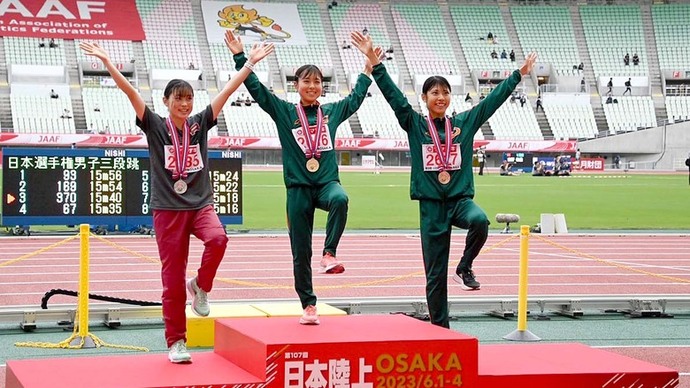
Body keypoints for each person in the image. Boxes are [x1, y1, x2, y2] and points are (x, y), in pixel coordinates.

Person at [79, 32, 274, 364]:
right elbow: (130, 92)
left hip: (199, 204)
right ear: (166, 101)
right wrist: (107, 62)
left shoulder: (200, 125)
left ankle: (200, 284)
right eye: (178, 98)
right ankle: (176, 342)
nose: (184, 104)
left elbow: (227, 91)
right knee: (171, 280)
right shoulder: (154, 125)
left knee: (218, 239)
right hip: (167, 211)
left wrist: (249, 63)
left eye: (188, 98)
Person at [352, 30, 537, 328]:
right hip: (431, 208)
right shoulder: (414, 124)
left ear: (450, 97)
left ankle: (464, 267)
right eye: (434, 93)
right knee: (435, 275)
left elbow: (492, 102)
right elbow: (394, 97)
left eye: (445, 92)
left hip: (460, 201)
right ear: (424, 98)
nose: (441, 97)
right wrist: (374, 62)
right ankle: (441, 328)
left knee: (480, 221)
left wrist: (519, 74)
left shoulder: (463, 123)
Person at [229, 31, 373, 326]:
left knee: (341, 199)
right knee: (300, 251)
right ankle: (308, 304)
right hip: (297, 190)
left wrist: (368, 67)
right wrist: (242, 58)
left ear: (322, 86)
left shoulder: (331, 112)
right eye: (306, 81)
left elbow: (356, 98)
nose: (312, 85)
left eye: (317, 81)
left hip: (326, 184)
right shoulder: (285, 111)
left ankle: (330, 253)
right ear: (297, 85)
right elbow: (257, 90)